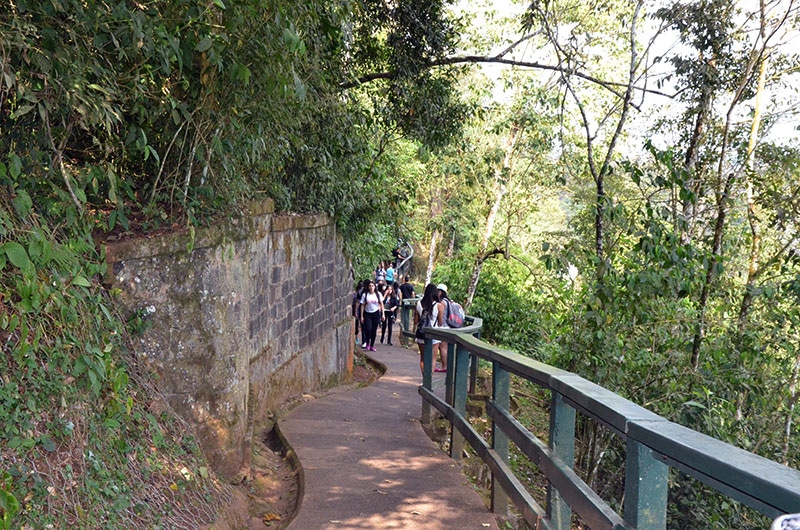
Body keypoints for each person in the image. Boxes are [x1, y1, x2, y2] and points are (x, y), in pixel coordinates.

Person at [414, 283, 445, 373]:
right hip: (433, 335)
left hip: (421, 334)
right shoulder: (439, 306)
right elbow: (440, 323)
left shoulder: (418, 304)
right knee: (432, 358)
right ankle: (429, 381)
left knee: (423, 358)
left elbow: (416, 321)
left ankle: (425, 379)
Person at [359, 280, 384, 352]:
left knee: (374, 330)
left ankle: (372, 345)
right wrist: (361, 316)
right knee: (368, 329)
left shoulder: (378, 294)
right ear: (368, 287)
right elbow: (362, 305)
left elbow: (381, 304)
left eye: (372, 286)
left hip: (375, 313)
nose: (371, 287)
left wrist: (383, 314)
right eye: (370, 286)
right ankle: (367, 342)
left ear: (374, 287)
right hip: (367, 314)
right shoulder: (365, 295)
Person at [436, 283, 451, 372]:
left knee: (442, 347)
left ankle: (444, 367)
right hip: (448, 327)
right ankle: (447, 366)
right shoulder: (449, 301)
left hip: (443, 327)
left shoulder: (442, 302)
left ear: (441, 292)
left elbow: (440, 316)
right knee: (446, 347)